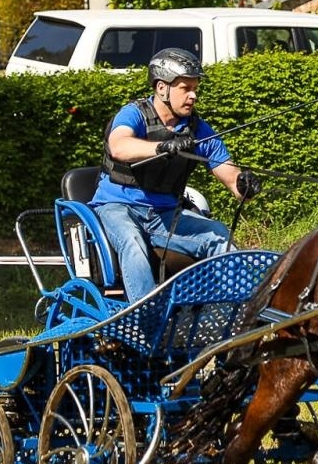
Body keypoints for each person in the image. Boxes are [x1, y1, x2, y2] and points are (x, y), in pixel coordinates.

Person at [88, 47, 259, 303]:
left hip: (165, 216)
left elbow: (227, 172)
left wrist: (243, 183)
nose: (193, 96)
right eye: (185, 88)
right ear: (161, 88)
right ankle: (145, 321)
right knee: (133, 245)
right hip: (117, 207)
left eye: (195, 89)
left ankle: (243, 312)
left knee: (218, 235)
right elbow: (119, 146)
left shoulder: (197, 129)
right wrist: (160, 147)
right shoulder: (134, 114)